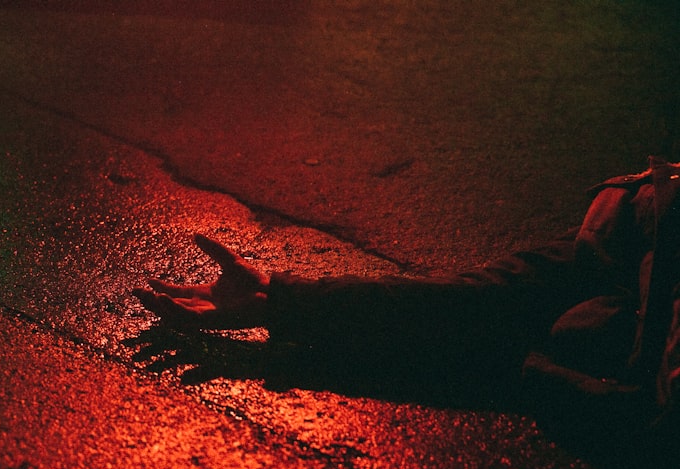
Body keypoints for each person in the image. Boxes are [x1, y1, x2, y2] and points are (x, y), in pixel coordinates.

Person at [134, 157, 680, 439]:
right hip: (647, 232)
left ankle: (276, 297)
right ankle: (275, 297)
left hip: (647, 234)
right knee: (482, 313)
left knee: (487, 320)